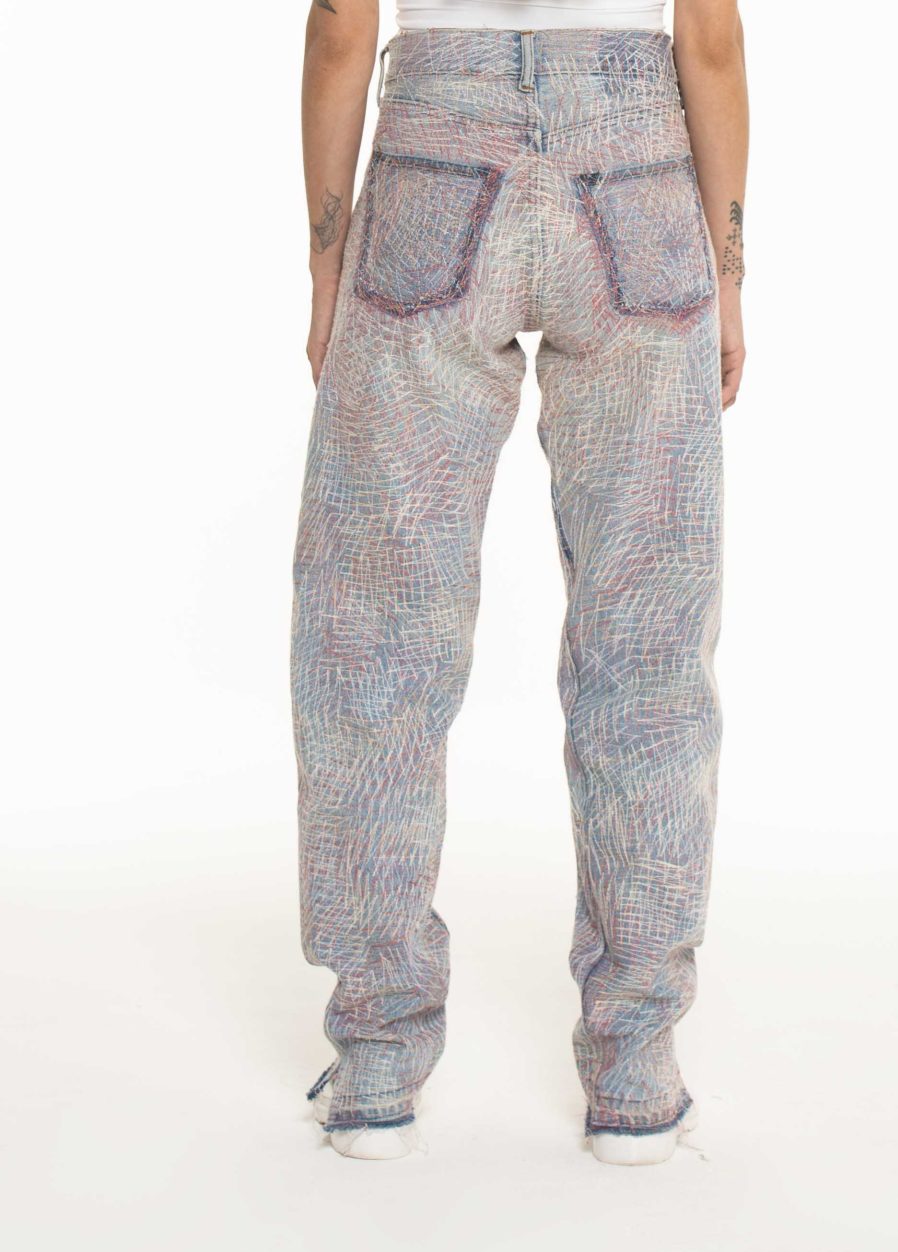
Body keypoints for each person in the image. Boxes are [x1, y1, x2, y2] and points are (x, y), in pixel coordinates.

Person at [292, 0, 748, 1165]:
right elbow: (707, 36)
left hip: (432, 150)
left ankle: (377, 1064)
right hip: (638, 161)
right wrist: (727, 270)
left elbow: (342, 25)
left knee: (377, 633)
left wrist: (327, 261)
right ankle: (636, 1071)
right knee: (646, 642)